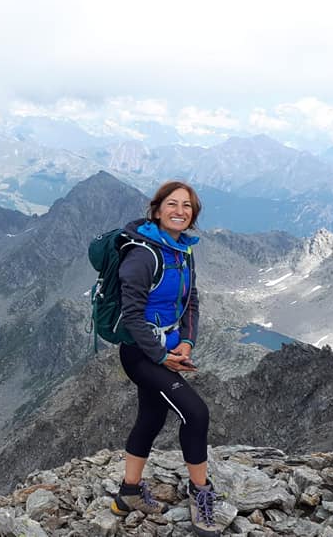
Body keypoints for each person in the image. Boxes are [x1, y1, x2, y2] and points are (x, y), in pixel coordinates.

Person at [109, 180, 221, 537]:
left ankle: (128, 493)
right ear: (157, 211)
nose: (180, 211)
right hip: (141, 354)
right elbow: (132, 315)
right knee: (196, 412)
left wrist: (186, 341)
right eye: (172, 204)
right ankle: (201, 494)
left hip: (168, 351)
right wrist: (162, 355)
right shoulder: (144, 255)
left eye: (187, 206)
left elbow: (192, 301)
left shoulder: (183, 250)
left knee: (152, 415)